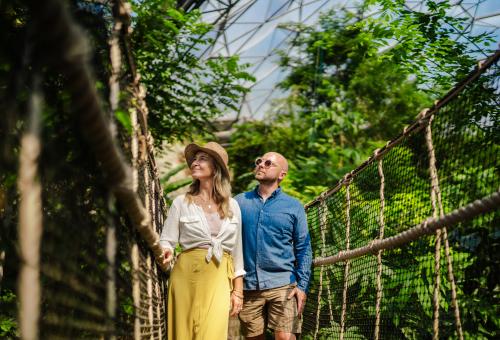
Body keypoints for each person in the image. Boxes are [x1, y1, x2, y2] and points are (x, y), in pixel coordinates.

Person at [159, 141, 245, 340]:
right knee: (182, 333)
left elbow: (237, 252)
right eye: (194, 159)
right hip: (185, 274)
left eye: (202, 159)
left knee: (213, 333)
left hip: (219, 275)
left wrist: (238, 292)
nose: (195, 163)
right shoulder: (182, 202)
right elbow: (167, 240)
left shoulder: (233, 206)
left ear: (216, 167)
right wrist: (166, 250)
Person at [235, 152, 312, 340]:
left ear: (282, 175)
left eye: (268, 163)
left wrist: (302, 286)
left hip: (283, 284)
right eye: (259, 161)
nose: (261, 164)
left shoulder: (294, 206)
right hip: (248, 286)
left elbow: (304, 248)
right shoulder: (238, 202)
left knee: (286, 337)